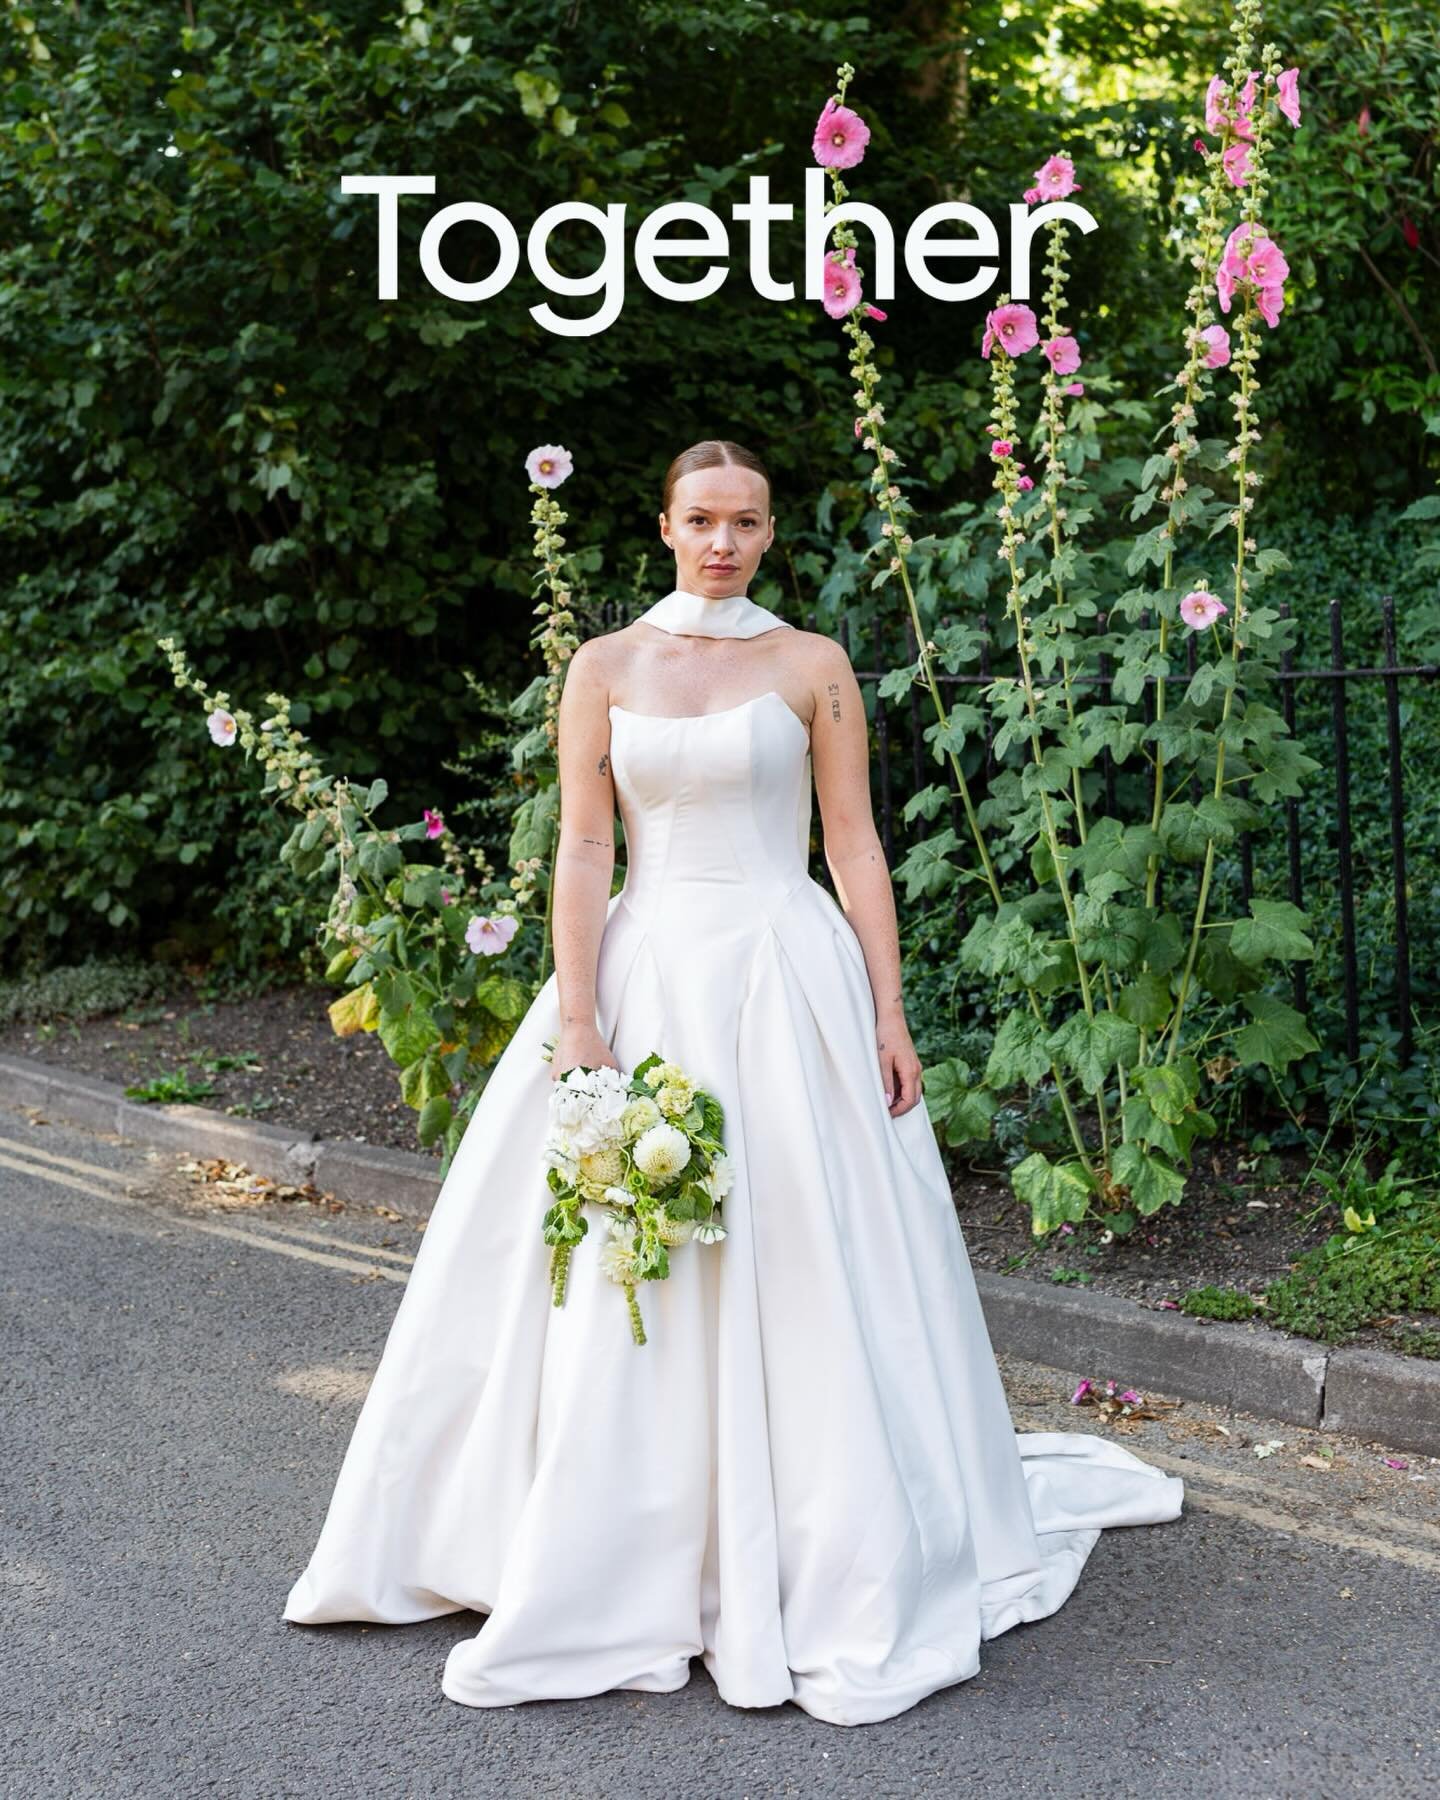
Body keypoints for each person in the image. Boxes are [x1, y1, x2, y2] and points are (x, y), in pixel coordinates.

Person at [282, 437, 1183, 1726]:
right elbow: (585, 848)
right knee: (620, 1263)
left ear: (769, 532)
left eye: (745, 521)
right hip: (647, 975)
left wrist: (888, 1007)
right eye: (701, 519)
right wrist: (580, 1018)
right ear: (662, 526)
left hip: (785, 977)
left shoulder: (812, 666)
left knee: (808, 1252)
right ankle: (618, 1542)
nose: (723, 541)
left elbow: (855, 843)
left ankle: (817, 1534)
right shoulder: (602, 669)